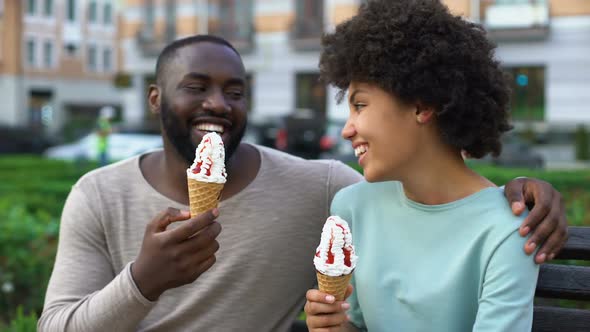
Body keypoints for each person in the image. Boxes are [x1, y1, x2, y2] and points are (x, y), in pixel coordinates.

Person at [38, 35, 567, 332]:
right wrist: (143, 280)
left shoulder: (326, 190)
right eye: (196, 87)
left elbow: (437, 188)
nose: (218, 104)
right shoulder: (98, 193)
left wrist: (521, 189)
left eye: (235, 91)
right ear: (155, 99)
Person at [304, 1, 558, 331]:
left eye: (360, 105)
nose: (347, 129)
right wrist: (334, 327)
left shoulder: (508, 230)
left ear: (421, 107)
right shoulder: (352, 207)